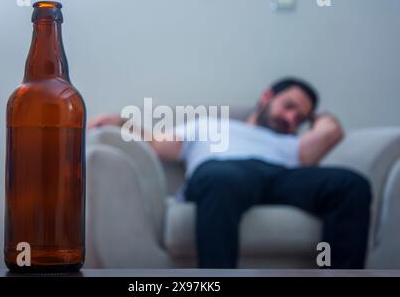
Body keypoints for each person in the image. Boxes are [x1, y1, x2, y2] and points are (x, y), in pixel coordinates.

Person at [88, 78, 372, 269]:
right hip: (225, 172)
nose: (291, 119)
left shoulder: (293, 144)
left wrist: (321, 118)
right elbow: (157, 142)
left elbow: (331, 132)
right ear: (266, 97)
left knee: (351, 183)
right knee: (222, 179)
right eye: (289, 107)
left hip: (282, 178)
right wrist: (119, 121)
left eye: (300, 118)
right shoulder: (210, 125)